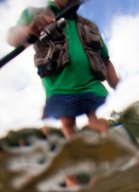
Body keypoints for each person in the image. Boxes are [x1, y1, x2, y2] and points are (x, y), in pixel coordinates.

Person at [7, 0, 119, 140]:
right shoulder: (34, 14)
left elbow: (106, 61)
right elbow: (12, 38)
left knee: (100, 125)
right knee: (69, 128)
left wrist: (120, 87)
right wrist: (28, 29)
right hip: (59, 93)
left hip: (94, 90)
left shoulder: (89, 25)